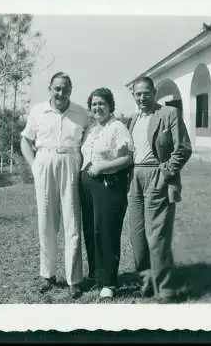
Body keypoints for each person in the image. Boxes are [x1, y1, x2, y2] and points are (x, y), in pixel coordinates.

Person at [20, 71, 89, 299]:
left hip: (71, 163)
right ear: (50, 88)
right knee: (47, 222)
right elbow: (25, 141)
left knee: (72, 222)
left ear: (71, 89)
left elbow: (88, 142)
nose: (61, 93)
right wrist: (34, 166)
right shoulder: (38, 111)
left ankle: (74, 279)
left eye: (65, 88)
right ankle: (47, 275)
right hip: (44, 162)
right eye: (56, 88)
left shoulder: (81, 113)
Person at [125, 76, 192, 303]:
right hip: (134, 177)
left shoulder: (168, 114)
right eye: (137, 94)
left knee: (157, 236)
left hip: (157, 174)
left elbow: (183, 147)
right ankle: (146, 282)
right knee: (137, 235)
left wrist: (166, 172)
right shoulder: (132, 119)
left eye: (146, 93)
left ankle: (165, 289)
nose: (142, 98)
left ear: (154, 93)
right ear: (133, 96)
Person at [79, 88, 134, 299]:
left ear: (110, 106)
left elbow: (128, 159)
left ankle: (109, 282)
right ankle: (96, 274)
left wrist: (102, 167)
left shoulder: (117, 127)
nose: (97, 107)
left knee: (106, 231)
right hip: (87, 185)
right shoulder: (91, 129)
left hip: (108, 184)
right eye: (93, 104)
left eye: (101, 103)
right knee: (91, 230)